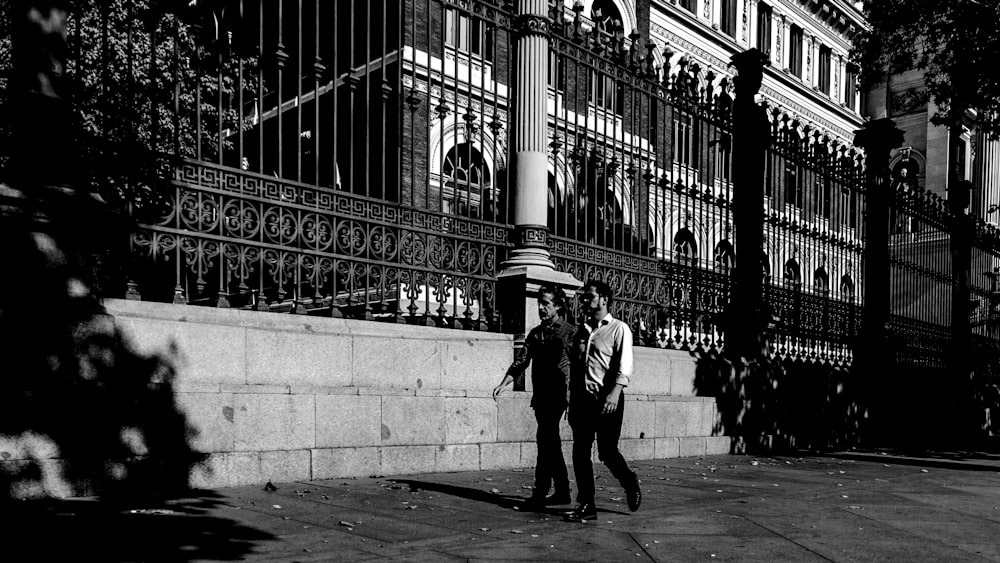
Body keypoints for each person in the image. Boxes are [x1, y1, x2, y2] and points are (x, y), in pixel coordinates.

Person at [492, 284, 575, 507]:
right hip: (540, 396)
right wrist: (504, 383)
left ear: (558, 305)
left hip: (558, 395)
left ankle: (540, 492)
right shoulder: (535, 333)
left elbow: (578, 366)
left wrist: (573, 396)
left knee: (545, 438)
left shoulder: (569, 332)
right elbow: (522, 360)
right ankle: (562, 491)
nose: (540, 307)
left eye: (546, 303)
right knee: (550, 442)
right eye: (540, 303)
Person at [567, 279, 641, 522]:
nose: (584, 301)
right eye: (584, 297)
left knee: (607, 452)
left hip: (608, 398)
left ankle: (629, 481)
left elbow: (625, 363)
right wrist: (572, 400)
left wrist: (616, 391)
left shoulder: (619, 328)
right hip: (583, 400)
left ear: (604, 300)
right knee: (580, 451)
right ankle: (587, 504)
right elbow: (577, 369)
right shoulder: (582, 330)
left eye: (589, 297)